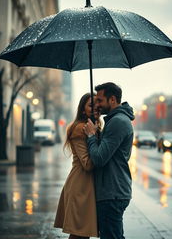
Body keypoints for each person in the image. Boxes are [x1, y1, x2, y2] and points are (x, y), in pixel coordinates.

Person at [83, 82, 135, 239]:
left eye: (99, 100)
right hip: (112, 191)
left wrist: (91, 136)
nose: (97, 104)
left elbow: (99, 158)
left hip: (112, 192)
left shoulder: (118, 121)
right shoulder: (114, 120)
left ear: (112, 100)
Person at [54, 93, 100, 239]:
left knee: (82, 234)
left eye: (98, 104)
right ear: (82, 110)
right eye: (91, 105)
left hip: (87, 187)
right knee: (79, 234)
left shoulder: (93, 127)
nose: (96, 108)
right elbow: (87, 163)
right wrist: (94, 137)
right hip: (80, 187)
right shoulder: (80, 129)